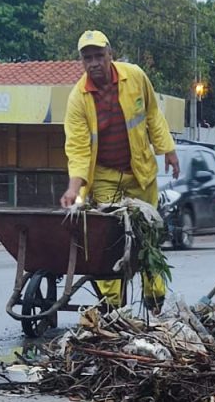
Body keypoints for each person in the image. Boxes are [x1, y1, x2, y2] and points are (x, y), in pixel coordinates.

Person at [60, 29, 180, 311]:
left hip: (140, 172)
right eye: (87, 58)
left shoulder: (134, 76)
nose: (94, 63)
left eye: (99, 56)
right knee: (108, 240)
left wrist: (168, 150)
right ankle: (112, 306)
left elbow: (153, 115)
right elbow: (77, 148)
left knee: (147, 236)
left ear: (110, 55)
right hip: (104, 177)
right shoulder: (78, 98)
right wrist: (74, 188)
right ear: (81, 62)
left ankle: (154, 299)